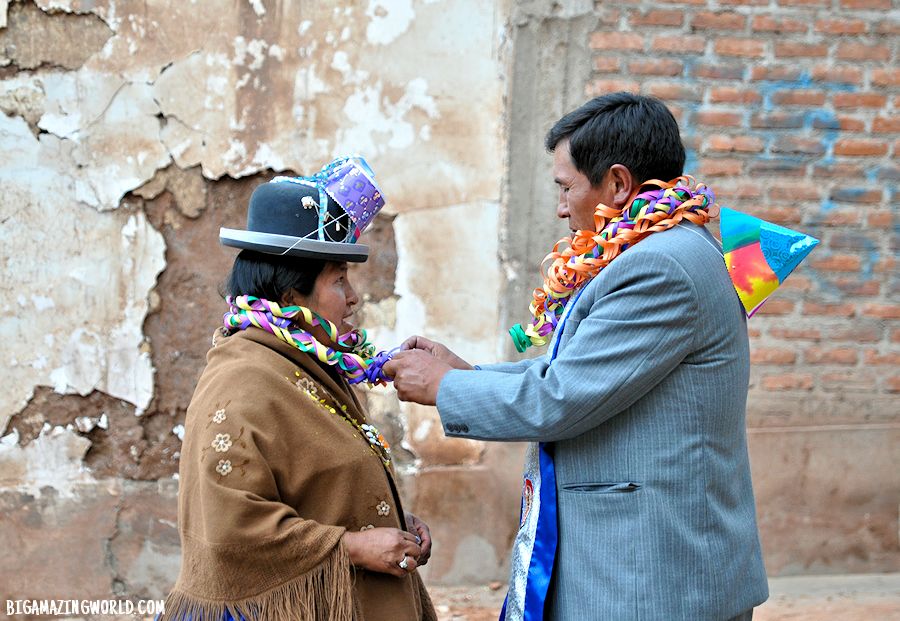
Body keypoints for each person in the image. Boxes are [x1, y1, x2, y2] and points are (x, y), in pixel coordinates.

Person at [384, 93, 769, 620]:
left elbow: (562, 397)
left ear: (616, 183)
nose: (562, 208)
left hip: (654, 575)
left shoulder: (660, 269)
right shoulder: (659, 252)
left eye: (566, 188)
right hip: (646, 565)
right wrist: (467, 373)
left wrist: (444, 388)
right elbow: (576, 375)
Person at [161, 157, 437, 621]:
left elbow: (319, 483)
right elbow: (230, 525)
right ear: (290, 296)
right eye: (338, 281)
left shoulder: (305, 365)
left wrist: (390, 524)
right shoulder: (244, 381)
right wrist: (350, 547)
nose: (352, 298)